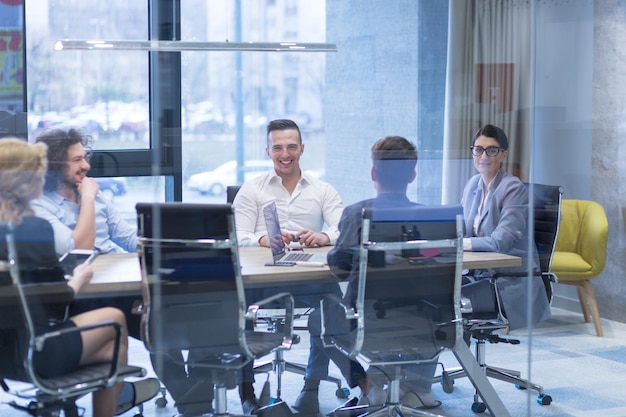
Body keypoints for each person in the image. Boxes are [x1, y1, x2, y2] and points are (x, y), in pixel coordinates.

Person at [29, 128, 160, 415]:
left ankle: (188, 396)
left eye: (85, 158)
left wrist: (163, 246)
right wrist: (87, 199)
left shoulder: (95, 195)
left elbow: (130, 238)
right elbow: (79, 250)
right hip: (82, 294)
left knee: (165, 315)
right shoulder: (41, 204)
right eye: (76, 160)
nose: (85, 166)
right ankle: (117, 392)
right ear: (54, 166)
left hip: (115, 285)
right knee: (130, 323)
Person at [0, 138, 128, 417]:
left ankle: (73, 399)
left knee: (107, 348)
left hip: (4, 354)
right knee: (114, 319)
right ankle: (105, 401)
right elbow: (57, 300)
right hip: (38, 350)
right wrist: (77, 279)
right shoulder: (33, 228)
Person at [232, 119, 346, 414]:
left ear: (302, 149)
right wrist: (262, 239)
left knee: (332, 302)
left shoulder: (322, 189)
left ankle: (311, 388)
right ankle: (247, 392)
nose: (286, 153)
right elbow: (235, 235)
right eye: (278, 147)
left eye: (292, 146)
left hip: (307, 278)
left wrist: (323, 236)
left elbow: (343, 227)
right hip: (260, 281)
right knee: (236, 305)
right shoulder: (251, 189)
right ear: (268, 151)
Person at [325, 136, 442, 410]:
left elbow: (337, 267)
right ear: (412, 176)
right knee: (431, 309)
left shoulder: (357, 213)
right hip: (420, 321)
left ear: (373, 173)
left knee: (321, 318)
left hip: (366, 322)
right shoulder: (431, 218)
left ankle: (368, 386)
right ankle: (415, 388)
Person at [461, 124, 550, 330]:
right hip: (479, 272)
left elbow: (501, 242)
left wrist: (460, 243)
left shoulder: (512, 187)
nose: (483, 156)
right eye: (478, 149)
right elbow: (462, 228)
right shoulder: (472, 184)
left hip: (506, 277)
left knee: (447, 299)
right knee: (436, 291)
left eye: (491, 150)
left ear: (503, 155)